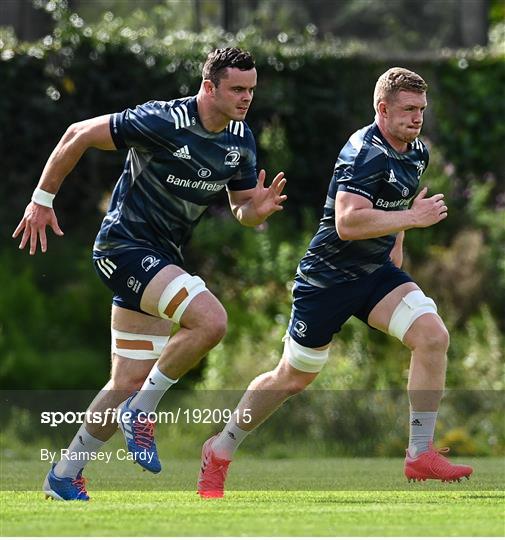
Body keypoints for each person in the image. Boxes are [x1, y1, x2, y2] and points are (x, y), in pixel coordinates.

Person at [12, 47, 287, 501]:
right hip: (123, 248)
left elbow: (240, 208)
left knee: (126, 382)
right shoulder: (163, 121)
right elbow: (77, 132)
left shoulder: (240, 140)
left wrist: (254, 211)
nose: (246, 98)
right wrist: (42, 200)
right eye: (237, 89)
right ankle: (142, 412)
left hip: (162, 259)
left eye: (251, 90)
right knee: (211, 320)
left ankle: (64, 474)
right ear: (209, 87)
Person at [197, 67, 473, 498]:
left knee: (432, 336)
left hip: (375, 273)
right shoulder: (364, 151)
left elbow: (397, 201)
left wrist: (397, 243)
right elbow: (347, 223)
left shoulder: (416, 150)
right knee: (292, 378)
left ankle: (420, 454)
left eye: (421, 109)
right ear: (382, 109)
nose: (417, 118)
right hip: (327, 280)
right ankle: (219, 450)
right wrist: (412, 220)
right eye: (408, 110)